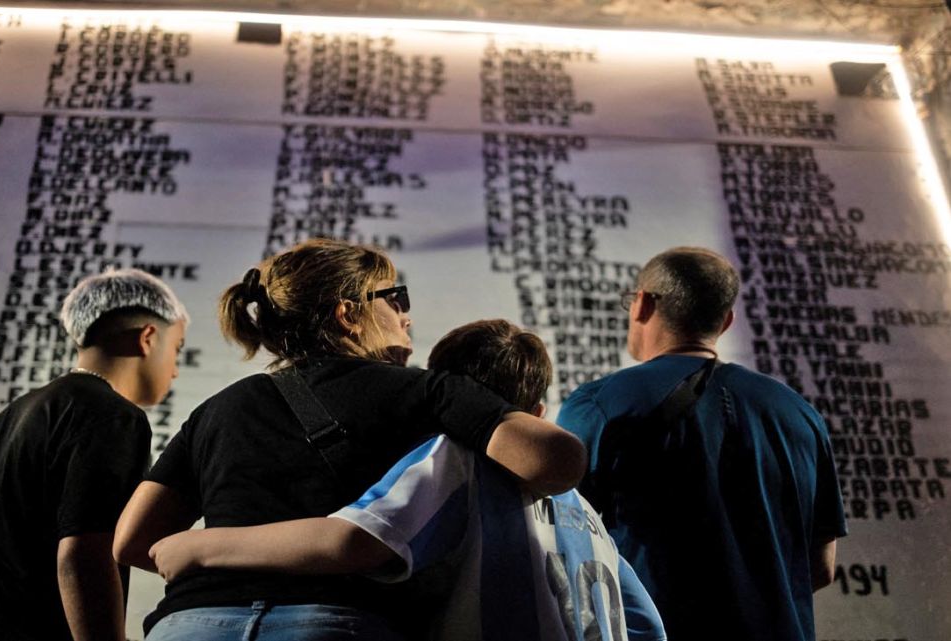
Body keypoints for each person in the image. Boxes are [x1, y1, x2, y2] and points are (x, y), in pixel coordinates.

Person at [114, 239, 586, 641]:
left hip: (191, 624)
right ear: (348, 314)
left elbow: (133, 541)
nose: (406, 314)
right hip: (338, 622)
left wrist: (210, 553)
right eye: (395, 298)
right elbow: (557, 459)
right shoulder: (425, 391)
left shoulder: (218, 408)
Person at [145, 319, 667, 641]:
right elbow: (647, 626)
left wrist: (198, 548)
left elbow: (355, 539)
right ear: (536, 409)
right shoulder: (583, 510)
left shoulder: (453, 460)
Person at [556, 247, 847, 641]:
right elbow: (821, 567)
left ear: (641, 304)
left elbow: (565, 547)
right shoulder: (800, 415)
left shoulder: (599, 405)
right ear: (726, 321)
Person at [0, 268, 188, 641]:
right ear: (147, 338)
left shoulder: (14, 414)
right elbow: (82, 555)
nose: (174, 371)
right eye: (177, 349)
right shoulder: (113, 416)